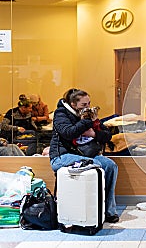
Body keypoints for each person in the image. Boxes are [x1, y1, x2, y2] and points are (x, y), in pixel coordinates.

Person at [48, 88, 119, 223]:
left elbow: (107, 135)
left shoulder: (89, 115)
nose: (87, 107)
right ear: (73, 104)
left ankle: (108, 211)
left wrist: (94, 133)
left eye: (89, 104)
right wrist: (87, 121)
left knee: (110, 166)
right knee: (95, 165)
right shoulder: (61, 114)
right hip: (62, 156)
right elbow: (68, 132)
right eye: (83, 105)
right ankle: (87, 210)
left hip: (87, 154)